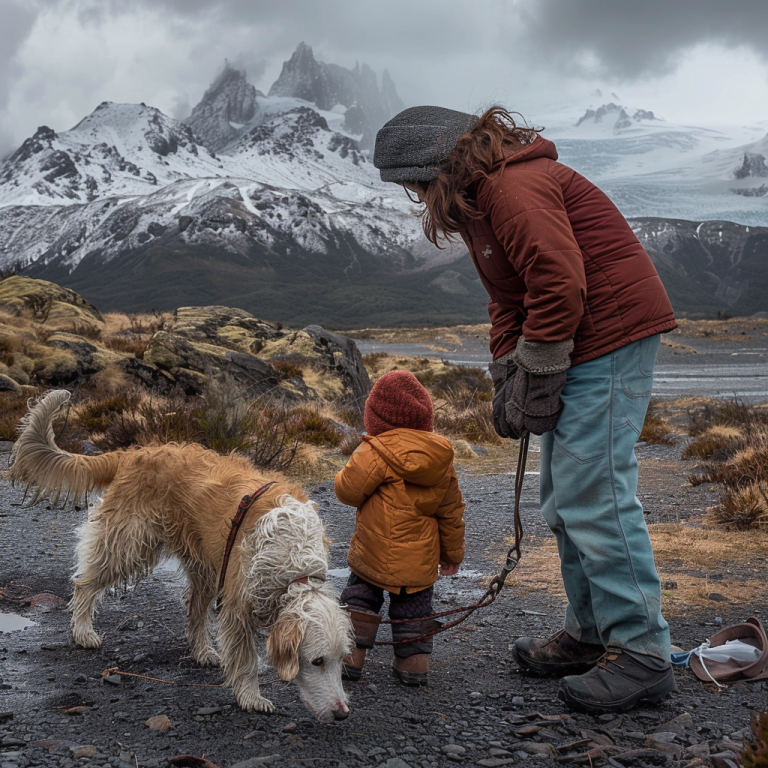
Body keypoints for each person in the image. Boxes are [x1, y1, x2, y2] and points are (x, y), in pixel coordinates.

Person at [372, 105, 678, 712]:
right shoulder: (482, 197)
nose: (415, 196)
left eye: (415, 185)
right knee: (564, 500)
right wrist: (507, 373)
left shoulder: (512, 186)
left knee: (595, 495)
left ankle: (642, 651)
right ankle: (592, 635)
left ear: (436, 166)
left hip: (610, 336)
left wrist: (538, 369)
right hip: (582, 341)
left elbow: (558, 279)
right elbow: (507, 298)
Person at [336, 370, 465, 686]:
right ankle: (413, 666)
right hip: (419, 563)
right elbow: (451, 513)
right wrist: (452, 555)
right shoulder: (442, 457)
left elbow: (347, 491)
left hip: (373, 555)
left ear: (376, 418)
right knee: (415, 612)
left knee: (360, 599)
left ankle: (350, 659)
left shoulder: (375, 451)